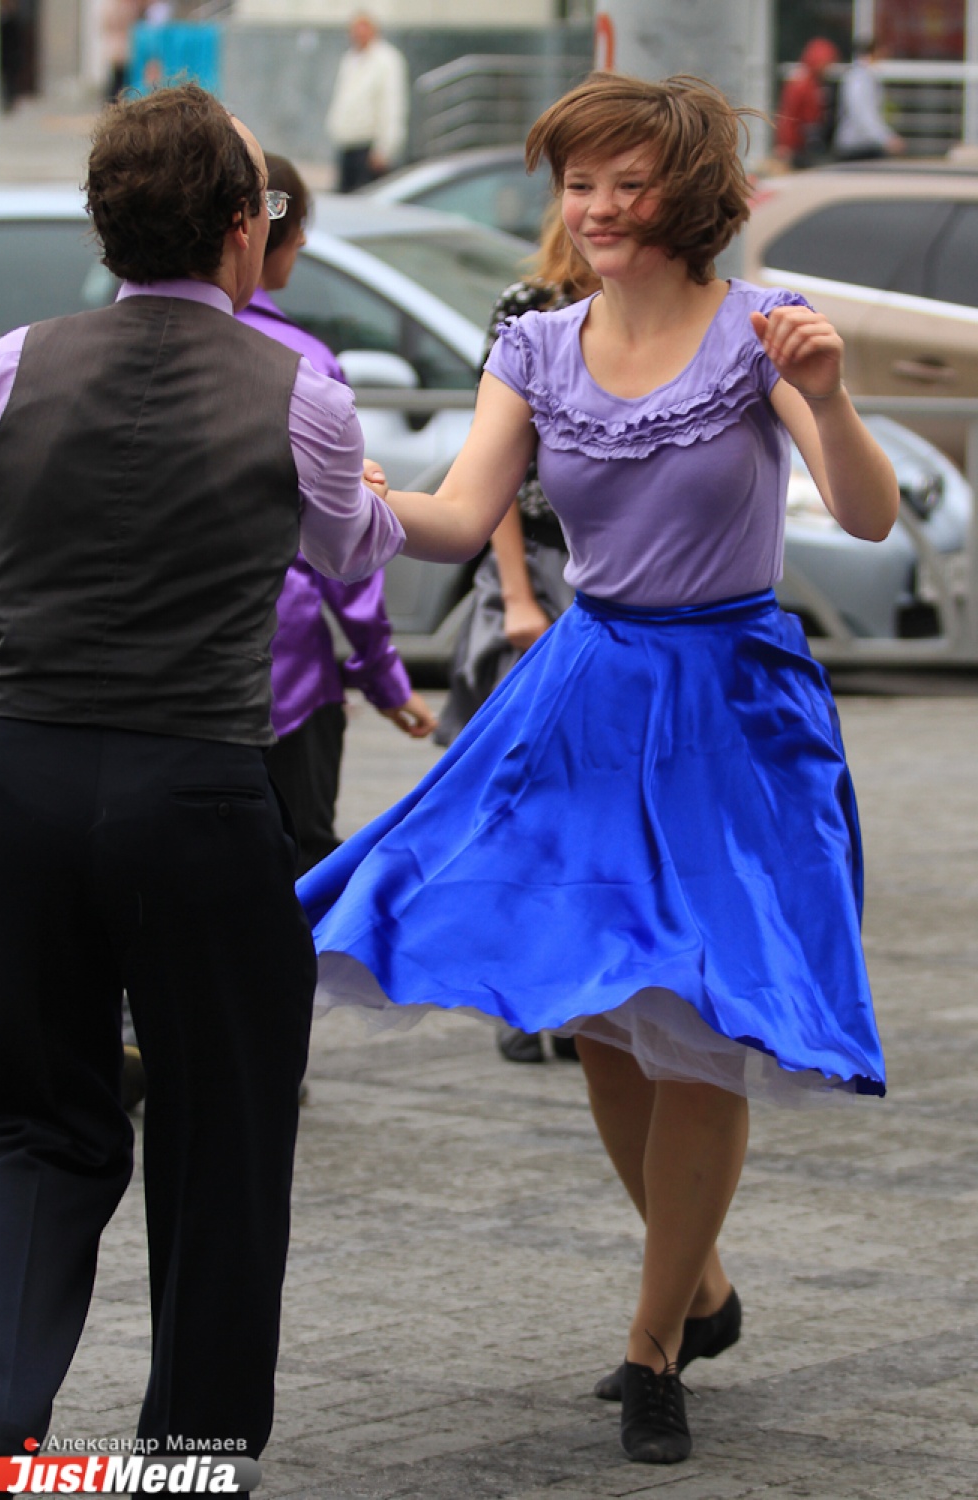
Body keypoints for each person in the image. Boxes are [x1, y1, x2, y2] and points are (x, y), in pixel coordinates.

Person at [297, 71, 898, 1467]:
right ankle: (698, 1286)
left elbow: (865, 517)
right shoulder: (535, 346)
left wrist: (829, 400)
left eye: (628, 182)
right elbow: (459, 518)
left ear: (688, 197)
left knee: (702, 1013)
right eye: (580, 183)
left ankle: (650, 1348)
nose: (599, 207)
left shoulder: (759, 331)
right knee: (605, 1023)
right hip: (585, 693)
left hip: (730, 708)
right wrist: (351, 494)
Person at [0, 82, 403, 1481]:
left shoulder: (6, 365)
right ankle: (191, 1452)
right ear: (241, 227)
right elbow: (346, 558)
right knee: (223, 1137)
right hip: (197, 787)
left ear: (106, 229)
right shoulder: (304, 393)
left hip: (17, 775)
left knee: (36, 1118)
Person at [237, 152, 435, 875]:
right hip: (283, 674)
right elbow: (346, 554)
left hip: (136, 700)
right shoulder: (305, 366)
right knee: (297, 872)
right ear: (260, 232)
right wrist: (382, 675)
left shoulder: (50, 359)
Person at [436, 203, 596, 1065]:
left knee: (584, 801)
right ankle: (518, 993)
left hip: (607, 577)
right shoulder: (529, 311)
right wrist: (514, 594)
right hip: (532, 564)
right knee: (519, 794)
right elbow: (491, 471)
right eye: (586, 190)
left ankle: (574, 992)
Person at [325, 11, 409, 192]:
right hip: (348, 142)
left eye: (363, 28)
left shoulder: (386, 60)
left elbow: (392, 105)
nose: (358, 34)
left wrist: (385, 148)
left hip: (369, 145)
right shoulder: (350, 58)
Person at [834, 37, 905, 162]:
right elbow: (863, 113)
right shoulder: (859, 78)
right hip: (855, 147)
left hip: (864, 145)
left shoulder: (867, 76)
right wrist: (886, 139)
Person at [774, 37, 840, 169]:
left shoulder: (814, 84)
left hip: (806, 143)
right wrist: (784, 144)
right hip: (797, 145)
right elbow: (788, 116)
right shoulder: (801, 84)